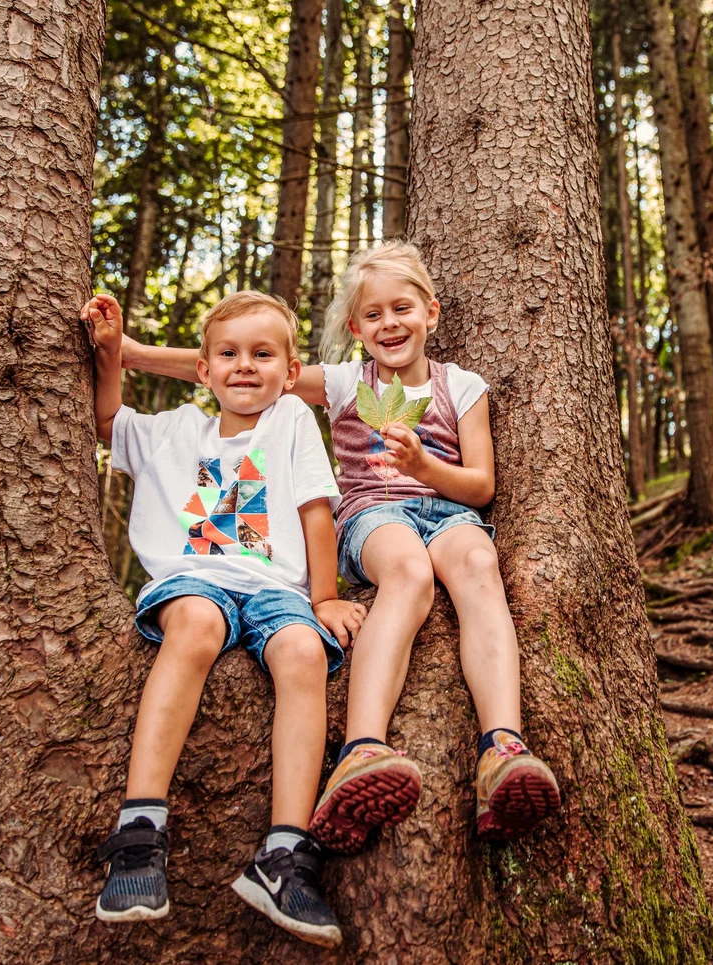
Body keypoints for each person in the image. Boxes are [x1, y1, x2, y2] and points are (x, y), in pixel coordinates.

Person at [120, 241, 561, 856]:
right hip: (373, 516)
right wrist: (134, 355)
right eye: (373, 315)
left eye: (402, 308)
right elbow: (247, 364)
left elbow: (481, 485)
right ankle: (363, 747)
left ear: (430, 312)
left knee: (479, 564)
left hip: (451, 508)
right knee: (408, 572)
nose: (390, 324)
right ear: (356, 328)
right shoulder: (347, 382)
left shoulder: (462, 386)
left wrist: (426, 467)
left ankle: (501, 747)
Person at [82, 289, 365, 947]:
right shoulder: (178, 428)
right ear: (203, 369)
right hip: (195, 580)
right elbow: (107, 422)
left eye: (263, 354)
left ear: (290, 373)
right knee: (197, 628)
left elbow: (315, 513)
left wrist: (323, 599)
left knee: (302, 651)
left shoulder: (291, 419)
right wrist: (109, 354)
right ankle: (140, 831)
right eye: (229, 354)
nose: (245, 366)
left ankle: (284, 853)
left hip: (278, 588)